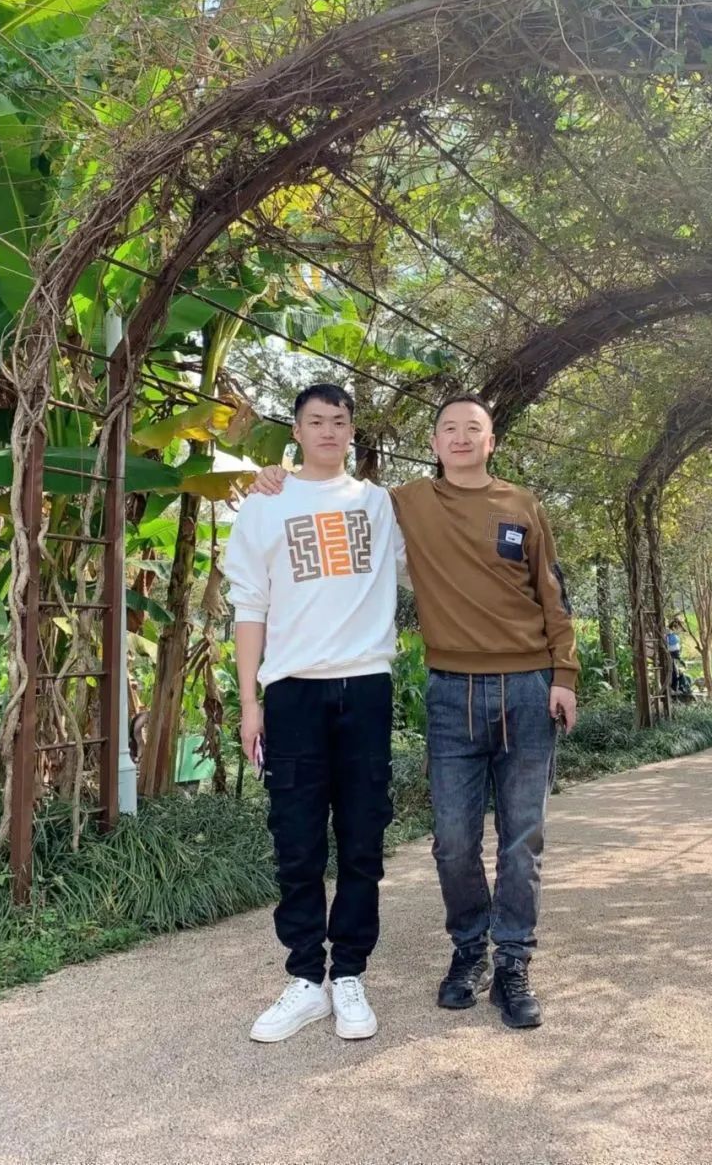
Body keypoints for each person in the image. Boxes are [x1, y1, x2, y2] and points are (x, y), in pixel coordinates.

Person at [252, 394, 578, 1030]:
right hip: (451, 691)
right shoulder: (399, 503)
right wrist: (272, 477)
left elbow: (552, 592)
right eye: (448, 428)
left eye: (473, 429)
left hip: (528, 686)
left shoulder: (522, 505)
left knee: (523, 838)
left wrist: (563, 674)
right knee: (453, 841)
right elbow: (325, 489)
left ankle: (512, 961)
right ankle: (469, 950)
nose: (460, 437)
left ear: (490, 441)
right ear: (434, 443)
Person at [222, 383, 408, 1044]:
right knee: (296, 839)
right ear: (297, 432)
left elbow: (426, 563)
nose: (330, 430)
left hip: (366, 685)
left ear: (352, 431)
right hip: (292, 691)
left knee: (362, 836)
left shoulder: (378, 504)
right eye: (317, 421)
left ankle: (350, 972)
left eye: (340, 421)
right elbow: (250, 605)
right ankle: (306, 977)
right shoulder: (264, 505)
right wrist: (250, 702)